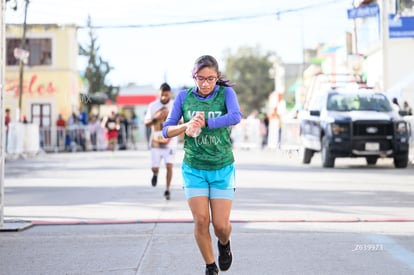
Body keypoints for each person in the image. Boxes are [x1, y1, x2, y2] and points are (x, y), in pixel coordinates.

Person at [162, 55, 242, 275]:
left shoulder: (226, 94)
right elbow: (166, 130)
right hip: (194, 167)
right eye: (201, 78)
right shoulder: (183, 98)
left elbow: (236, 116)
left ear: (217, 77)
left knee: (220, 226)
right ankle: (210, 266)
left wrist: (207, 122)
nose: (205, 83)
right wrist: (185, 125)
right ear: (194, 76)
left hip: (222, 167)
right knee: (201, 220)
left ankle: (224, 244)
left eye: (210, 79)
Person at [144, 83, 177, 200]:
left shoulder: (174, 105)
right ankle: (155, 173)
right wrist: (156, 118)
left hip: (170, 141)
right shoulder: (153, 105)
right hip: (156, 141)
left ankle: (167, 190)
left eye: (166, 95)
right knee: (155, 167)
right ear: (159, 93)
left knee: (169, 166)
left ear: (170, 94)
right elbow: (146, 123)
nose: (164, 97)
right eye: (162, 94)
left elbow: (181, 121)